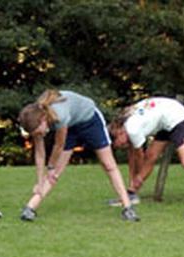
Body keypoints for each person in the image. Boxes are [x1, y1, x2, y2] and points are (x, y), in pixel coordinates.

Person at [17, 89, 139, 222]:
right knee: (54, 174)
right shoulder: (34, 117)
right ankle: (30, 208)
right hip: (71, 126)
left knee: (109, 165)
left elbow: (59, 145)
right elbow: (40, 154)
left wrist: (51, 166)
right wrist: (40, 181)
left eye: (38, 132)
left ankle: (128, 208)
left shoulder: (59, 115)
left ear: (43, 120)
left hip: (90, 120)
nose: (39, 135)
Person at [108, 97, 184, 220]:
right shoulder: (125, 124)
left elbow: (138, 157)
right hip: (164, 121)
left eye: (118, 144)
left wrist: (138, 177)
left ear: (118, 133)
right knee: (151, 155)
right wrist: (135, 180)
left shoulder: (132, 129)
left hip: (177, 117)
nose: (120, 147)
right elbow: (133, 155)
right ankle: (131, 194)